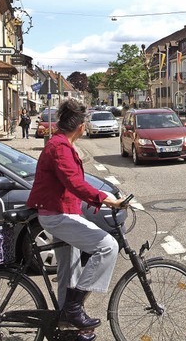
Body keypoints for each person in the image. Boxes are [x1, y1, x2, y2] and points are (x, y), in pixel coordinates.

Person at [26, 100, 128, 336]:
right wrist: (105, 199)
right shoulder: (59, 147)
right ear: (81, 126)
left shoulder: (61, 144)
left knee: (69, 269)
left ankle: (67, 322)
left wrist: (92, 203)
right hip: (57, 215)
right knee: (108, 246)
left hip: (62, 212)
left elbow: (70, 184)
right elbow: (73, 182)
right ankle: (73, 308)